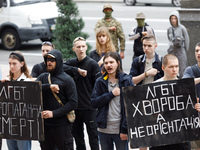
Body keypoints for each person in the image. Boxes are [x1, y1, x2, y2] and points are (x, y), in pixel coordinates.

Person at [63, 37, 101, 150]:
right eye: (78, 47)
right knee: (78, 139)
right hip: (75, 107)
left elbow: (98, 85)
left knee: (93, 138)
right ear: (74, 49)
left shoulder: (92, 64)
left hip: (89, 107)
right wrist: (77, 70)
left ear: (86, 47)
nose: (81, 49)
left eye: (83, 46)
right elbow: (61, 67)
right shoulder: (72, 63)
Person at [91, 51, 134, 150]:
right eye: (106, 63)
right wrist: (111, 94)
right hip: (103, 129)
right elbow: (94, 103)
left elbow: (131, 107)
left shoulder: (126, 80)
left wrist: (124, 129)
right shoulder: (100, 81)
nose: (108, 65)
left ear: (118, 63)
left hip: (120, 130)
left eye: (111, 62)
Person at [36, 49, 78, 150]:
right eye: (47, 60)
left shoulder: (67, 80)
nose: (49, 62)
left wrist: (53, 113)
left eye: (52, 60)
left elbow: (73, 103)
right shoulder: (43, 77)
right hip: (45, 127)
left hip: (62, 126)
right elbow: (31, 89)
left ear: (58, 61)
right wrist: (49, 86)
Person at [150, 54, 191, 150]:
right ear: (163, 68)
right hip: (161, 137)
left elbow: (189, 112)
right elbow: (149, 112)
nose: (174, 69)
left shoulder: (185, 86)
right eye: (171, 67)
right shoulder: (154, 87)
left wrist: (195, 107)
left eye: (176, 66)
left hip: (181, 137)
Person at [1, 51, 32, 150]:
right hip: (9, 124)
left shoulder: (27, 82)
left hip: (23, 126)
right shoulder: (7, 80)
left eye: (14, 63)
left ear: (22, 64)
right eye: (10, 63)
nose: (11, 66)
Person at [183, 42, 200, 150]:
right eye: (197, 51)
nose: (198, 53)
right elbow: (185, 83)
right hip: (194, 117)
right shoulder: (190, 70)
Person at [167, 10, 189, 78]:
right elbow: (169, 38)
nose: (173, 20)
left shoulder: (182, 28)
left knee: (182, 68)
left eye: (175, 18)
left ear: (178, 19)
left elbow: (187, 39)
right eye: (172, 18)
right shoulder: (169, 29)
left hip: (181, 49)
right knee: (171, 68)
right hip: (172, 50)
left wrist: (185, 49)